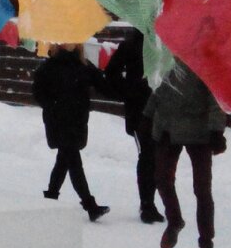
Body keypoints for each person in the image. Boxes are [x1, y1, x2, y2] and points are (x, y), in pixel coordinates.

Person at [145, 59, 227, 248]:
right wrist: (147, 115)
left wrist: (217, 130)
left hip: (199, 133)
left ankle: (206, 244)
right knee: (162, 179)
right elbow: (159, 89)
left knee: (202, 190)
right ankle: (174, 221)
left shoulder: (205, 61)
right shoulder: (169, 59)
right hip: (167, 128)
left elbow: (215, 97)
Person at [32, 43, 110, 221]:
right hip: (58, 121)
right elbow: (38, 92)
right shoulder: (49, 66)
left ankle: (51, 196)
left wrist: (128, 91)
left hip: (77, 121)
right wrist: (53, 105)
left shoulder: (84, 66)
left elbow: (103, 86)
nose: (70, 43)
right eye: (66, 39)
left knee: (64, 160)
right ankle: (90, 205)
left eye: (74, 39)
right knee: (73, 161)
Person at [104, 28, 164, 223]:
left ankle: (153, 202)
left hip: (162, 110)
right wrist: (129, 93)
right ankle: (147, 204)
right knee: (147, 155)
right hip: (139, 111)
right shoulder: (132, 43)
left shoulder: (164, 43)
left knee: (158, 157)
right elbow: (111, 71)